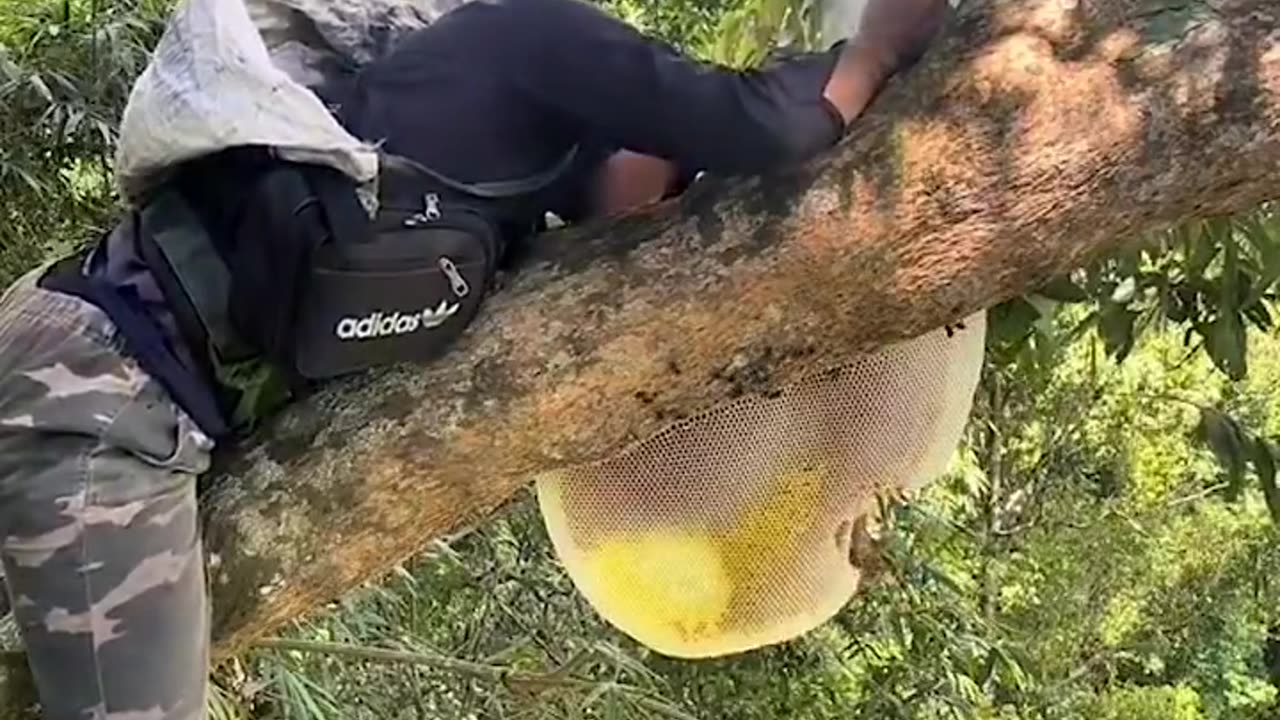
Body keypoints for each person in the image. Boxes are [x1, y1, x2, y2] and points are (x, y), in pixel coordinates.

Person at [0, 0, 948, 717]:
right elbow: (768, 128)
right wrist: (876, 50)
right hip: (100, 396)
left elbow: (625, 200)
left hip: (111, 384)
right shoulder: (525, 39)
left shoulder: (505, 162)